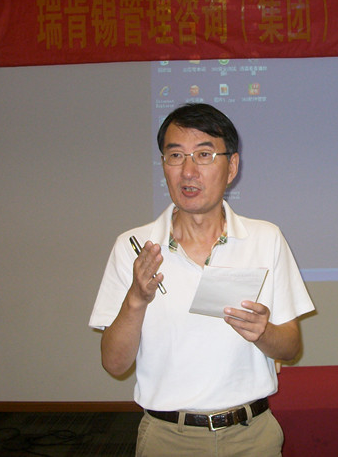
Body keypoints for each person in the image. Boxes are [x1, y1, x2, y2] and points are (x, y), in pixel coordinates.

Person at [89, 103, 314, 456]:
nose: (188, 171)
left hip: (252, 436)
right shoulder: (133, 246)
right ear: (164, 165)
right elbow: (115, 365)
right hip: (167, 438)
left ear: (232, 167)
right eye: (176, 155)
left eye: (204, 155)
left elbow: (290, 348)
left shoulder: (265, 239)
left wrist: (263, 332)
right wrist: (136, 299)